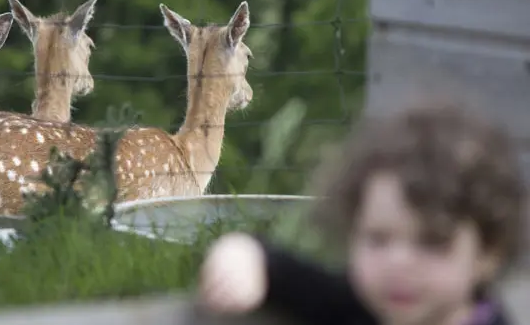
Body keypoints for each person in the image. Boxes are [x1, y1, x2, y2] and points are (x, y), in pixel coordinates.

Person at [198, 103, 528, 325]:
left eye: (432, 243)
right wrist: (246, 254)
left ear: (489, 252)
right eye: (377, 239)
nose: (397, 263)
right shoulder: (360, 308)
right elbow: (292, 277)